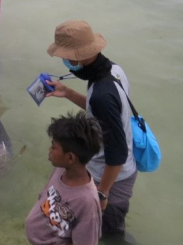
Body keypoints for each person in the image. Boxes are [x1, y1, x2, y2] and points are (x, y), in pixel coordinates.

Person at [45, 20, 138, 242]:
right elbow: (100, 111)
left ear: (77, 57)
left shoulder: (102, 96)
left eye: (65, 57)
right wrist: (67, 92)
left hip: (113, 178)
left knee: (111, 234)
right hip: (118, 170)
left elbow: (117, 155)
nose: (65, 61)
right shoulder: (112, 70)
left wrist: (102, 193)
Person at [26, 111, 103, 245]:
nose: (49, 149)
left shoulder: (87, 202)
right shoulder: (61, 169)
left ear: (70, 157)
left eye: (53, 147)